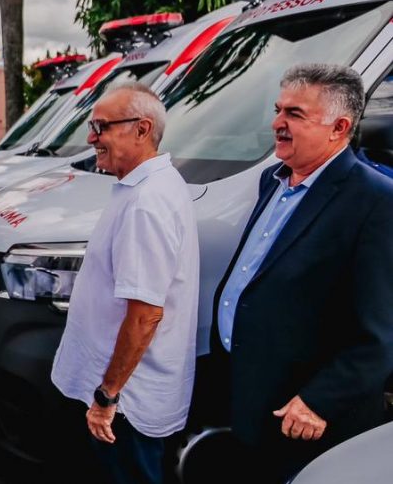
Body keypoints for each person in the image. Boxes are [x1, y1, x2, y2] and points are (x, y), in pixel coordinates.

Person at [205, 64, 393, 482]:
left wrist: (319, 401)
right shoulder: (273, 182)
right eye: (278, 110)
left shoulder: (376, 202)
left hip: (307, 419)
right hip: (253, 399)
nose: (277, 123)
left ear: (339, 127)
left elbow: (380, 337)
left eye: (294, 114)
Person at [50, 82, 199, 484]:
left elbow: (146, 314)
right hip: (124, 399)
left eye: (101, 127)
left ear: (141, 129)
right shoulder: (144, 188)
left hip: (126, 407)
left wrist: (106, 396)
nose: (90, 138)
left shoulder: (147, 202)